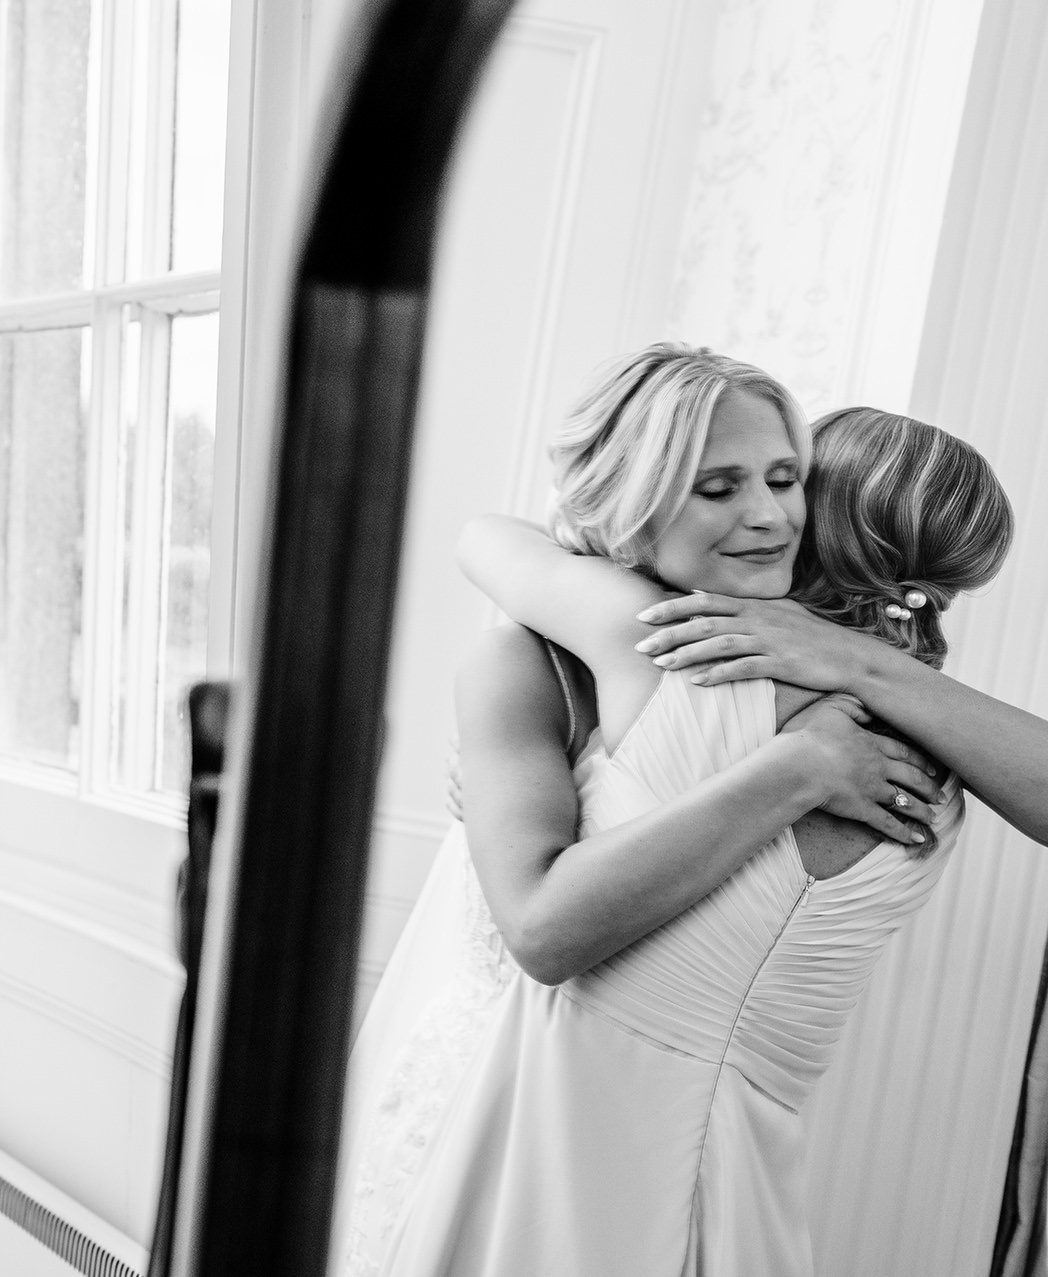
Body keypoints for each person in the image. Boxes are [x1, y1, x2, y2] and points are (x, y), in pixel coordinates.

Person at [335, 345, 1025, 1276]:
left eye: (787, 480)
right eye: (724, 486)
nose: (767, 514)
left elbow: (485, 539)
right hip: (748, 1188)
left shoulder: (657, 658)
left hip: (555, 1144)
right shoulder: (951, 760)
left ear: (817, 509)